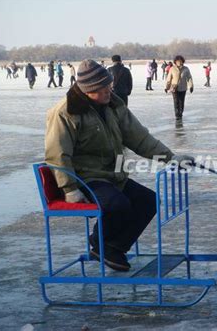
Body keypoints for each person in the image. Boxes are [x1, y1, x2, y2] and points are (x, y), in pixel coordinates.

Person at [45, 59, 193, 271]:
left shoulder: (113, 105)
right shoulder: (65, 113)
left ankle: (113, 247)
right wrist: (70, 188)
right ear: (88, 89)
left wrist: (170, 157)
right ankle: (99, 242)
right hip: (85, 177)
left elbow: (139, 138)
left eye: (109, 84)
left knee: (148, 201)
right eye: (103, 87)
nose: (109, 89)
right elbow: (57, 154)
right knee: (117, 205)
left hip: (113, 175)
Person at [165, 55, 194, 120]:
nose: (179, 62)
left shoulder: (186, 69)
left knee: (181, 101)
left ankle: (180, 113)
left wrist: (191, 86)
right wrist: (167, 87)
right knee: (176, 101)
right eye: (178, 61)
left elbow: (189, 78)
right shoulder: (172, 69)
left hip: (183, 88)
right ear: (175, 62)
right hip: (174, 88)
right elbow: (169, 79)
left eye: (180, 61)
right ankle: (177, 114)